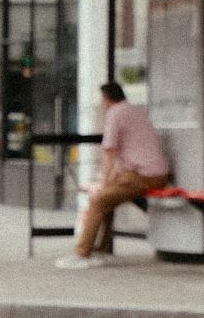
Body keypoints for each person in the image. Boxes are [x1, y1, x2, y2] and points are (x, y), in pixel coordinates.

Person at [58, 80, 171, 265]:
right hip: (160, 173)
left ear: (107, 99)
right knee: (108, 200)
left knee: (98, 201)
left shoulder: (114, 114)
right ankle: (101, 249)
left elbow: (109, 151)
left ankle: (82, 253)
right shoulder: (137, 111)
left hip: (142, 175)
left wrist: (103, 183)